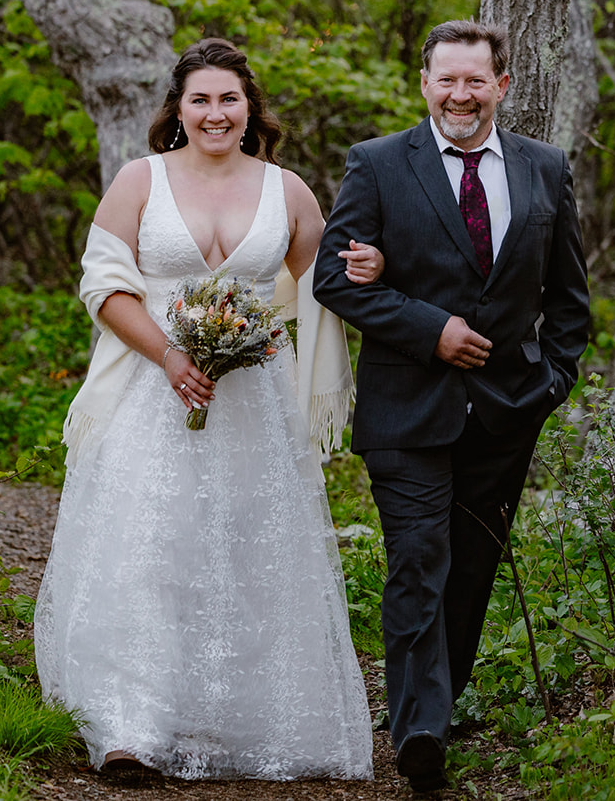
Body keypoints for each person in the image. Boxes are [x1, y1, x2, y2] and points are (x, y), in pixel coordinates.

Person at [35, 38, 378, 780]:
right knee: (149, 553)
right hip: (150, 395)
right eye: (201, 99)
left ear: (250, 107)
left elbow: (329, 277)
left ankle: (235, 718)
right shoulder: (139, 180)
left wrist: (368, 265)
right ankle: (131, 726)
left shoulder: (287, 190)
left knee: (246, 560)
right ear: (178, 109)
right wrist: (168, 354)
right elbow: (105, 284)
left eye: (230, 98)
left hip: (254, 401)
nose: (216, 112)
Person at [313, 20, 590, 793]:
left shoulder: (545, 169)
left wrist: (551, 384)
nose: (460, 94)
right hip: (406, 406)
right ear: (425, 84)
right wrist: (431, 330)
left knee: (470, 572)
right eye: (447, 80)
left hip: (508, 411)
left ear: (502, 85)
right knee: (416, 563)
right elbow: (333, 280)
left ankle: (439, 696)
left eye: (476, 81)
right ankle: (420, 727)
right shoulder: (375, 165)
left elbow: (570, 299)